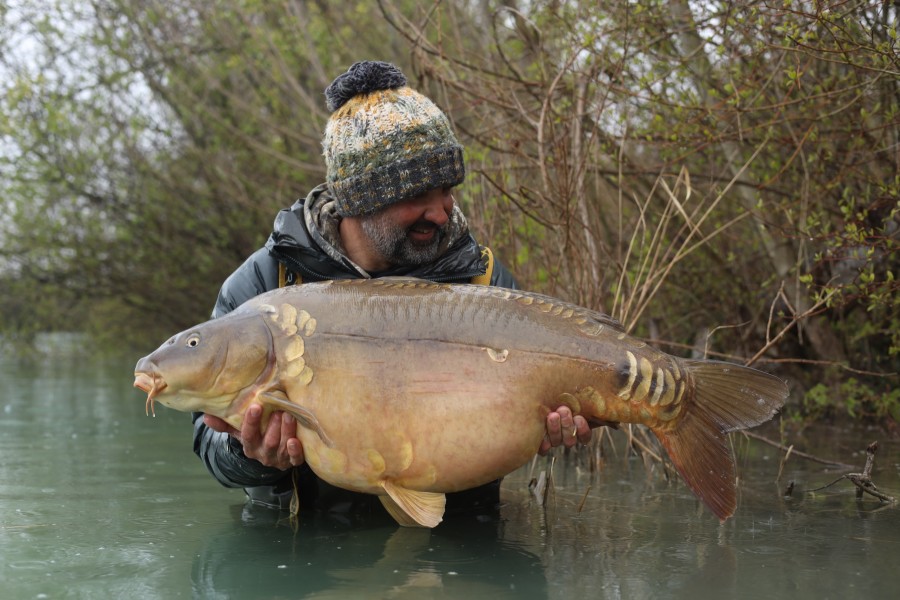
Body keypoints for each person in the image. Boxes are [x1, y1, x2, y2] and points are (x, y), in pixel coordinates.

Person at [192, 61, 593, 517]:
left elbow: (529, 415)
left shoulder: (482, 280)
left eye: (446, 191)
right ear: (360, 200)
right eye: (417, 196)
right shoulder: (266, 285)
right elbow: (209, 445)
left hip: (461, 539)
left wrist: (546, 426)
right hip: (300, 542)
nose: (440, 213)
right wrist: (249, 453)